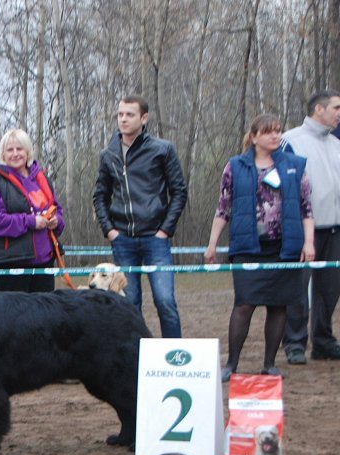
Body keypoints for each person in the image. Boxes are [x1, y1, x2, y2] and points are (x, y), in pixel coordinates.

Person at [204, 114, 314, 382]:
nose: (275, 136)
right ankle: (231, 364)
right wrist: (212, 244)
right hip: (247, 247)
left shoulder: (295, 165)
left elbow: (306, 208)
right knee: (244, 304)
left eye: (278, 131)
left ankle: (269, 364)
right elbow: (223, 207)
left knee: (278, 306)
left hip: (284, 247)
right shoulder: (235, 166)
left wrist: (309, 242)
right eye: (268, 132)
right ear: (254, 137)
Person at [92, 95, 188, 338]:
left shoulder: (163, 149)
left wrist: (165, 230)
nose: (123, 119)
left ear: (144, 118)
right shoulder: (108, 153)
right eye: (120, 114)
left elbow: (179, 191)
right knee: (129, 305)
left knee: (165, 301)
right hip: (122, 239)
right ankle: (133, 354)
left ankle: (173, 354)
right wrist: (109, 230)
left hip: (156, 238)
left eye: (130, 114)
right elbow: (100, 196)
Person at [281, 90, 340, 364]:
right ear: (319, 109)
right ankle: (294, 343)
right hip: (302, 228)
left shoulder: (336, 143)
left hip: (334, 227)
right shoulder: (291, 141)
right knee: (297, 287)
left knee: (330, 288)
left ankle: (323, 341)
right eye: (336, 108)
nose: (339, 114)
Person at [0, 128, 65, 292]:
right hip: (10, 263)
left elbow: (57, 209)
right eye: (9, 150)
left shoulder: (42, 179)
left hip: (44, 262)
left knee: (44, 308)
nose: (15, 154)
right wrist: (30, 221)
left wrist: (57, 221)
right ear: (2, 154)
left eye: (19, 149)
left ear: (27, 151)